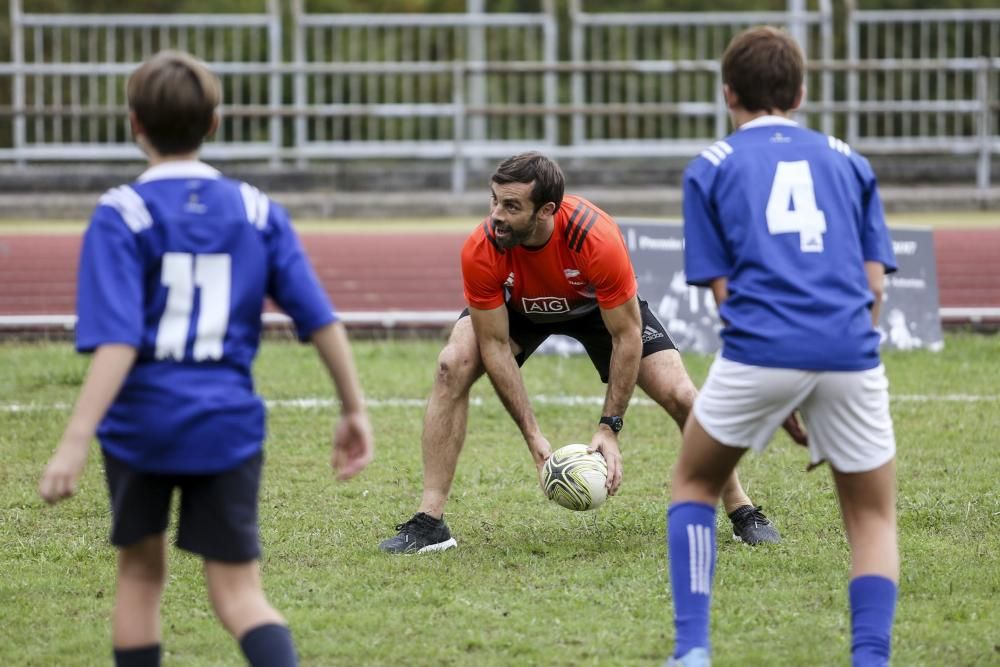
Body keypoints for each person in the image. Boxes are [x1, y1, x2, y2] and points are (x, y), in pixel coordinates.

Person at [37, 51, 374, 667]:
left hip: (140, 426)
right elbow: (320, 319)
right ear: (215, 123)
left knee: (140, 577)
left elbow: (118, 340)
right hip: (226, 423)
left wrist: (75, 439)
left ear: (133, 122)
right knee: (241, 595)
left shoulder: (121, 214)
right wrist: (354, 408)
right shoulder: (255, 210)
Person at [379, 151, 800, 554]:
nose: (496, 216)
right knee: (452, 365)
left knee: (682, 396)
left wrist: (609, 427)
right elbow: (493, 343)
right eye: (494, 200)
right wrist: (533, 436)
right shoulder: (484, 245)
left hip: (597, 310)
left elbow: (627, 335)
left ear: (547, 210)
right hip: (519, 306)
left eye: (511, 206)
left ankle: (741, 508)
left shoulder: (594, 236)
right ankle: (429, 522)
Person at [665, 27, 898, 667]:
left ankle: (692, 651)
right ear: (799, 93)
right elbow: (874, 285)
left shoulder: (709, 167)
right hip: (850, 349)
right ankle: (871, 659)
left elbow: (724, 294)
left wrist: (779, 387)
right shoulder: (849, 159)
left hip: (760, 348)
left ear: (727, 93)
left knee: (693, 482)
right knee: (872, 518)